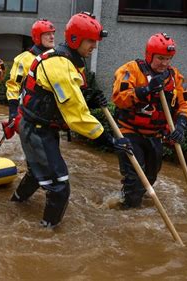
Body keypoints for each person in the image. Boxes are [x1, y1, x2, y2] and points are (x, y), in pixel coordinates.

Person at [11, 12, 133, 228]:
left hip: (42, 128)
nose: (94, 46)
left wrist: (89, 98)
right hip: (36, 129)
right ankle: (46, 234)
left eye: (95, 41)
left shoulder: (71, 60)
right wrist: (108, 140)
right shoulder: (58, 64)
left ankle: (16, 204)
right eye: (90, 41)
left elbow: (70, 96)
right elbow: (75, 114)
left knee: (37, 173)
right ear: (75, 39)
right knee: (59, 187)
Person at [112, 33, 187, 208]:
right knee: (135, 177)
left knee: (151, 176)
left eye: (168, 59)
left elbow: (186, 104)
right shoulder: (130, 70)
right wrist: (146, 90)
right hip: (129, 132)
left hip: (154, 135)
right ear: (149, 55)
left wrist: (180, 125)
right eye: (160, 58)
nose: (164, 63)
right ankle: (128, 208)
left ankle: (132, 197)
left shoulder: (174, 77)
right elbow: (119, 98)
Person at [6, 19, 56, 125]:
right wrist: (13, 112)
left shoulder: (57, 58)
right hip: (30, 113)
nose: (52, 37)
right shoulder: (24, 59)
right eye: (47, 34)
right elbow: (13, 85)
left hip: (51, 115)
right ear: (37, 37)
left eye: (52, 33)